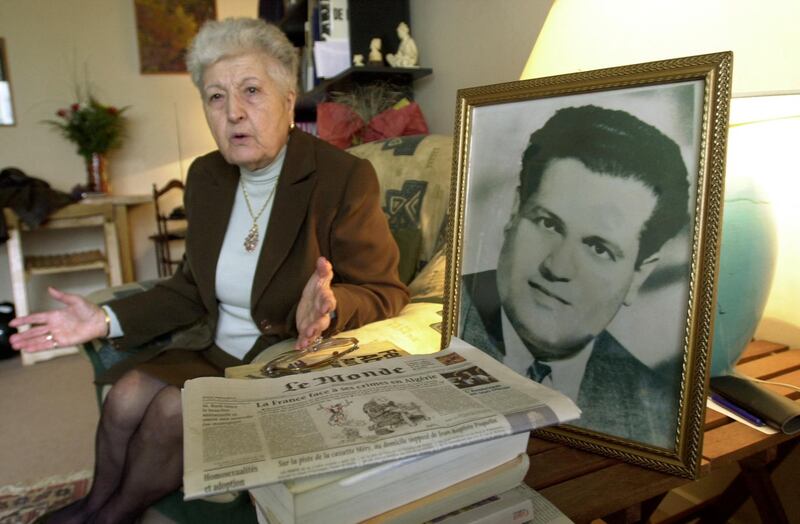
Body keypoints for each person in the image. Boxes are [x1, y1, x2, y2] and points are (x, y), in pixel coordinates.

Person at [10, 18, 408, 524]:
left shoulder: (342, 177)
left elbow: (384, 290)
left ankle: (107, 519)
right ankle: (97, 504)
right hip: (213, 346)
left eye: (250, 91)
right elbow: (188, 289)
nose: (234, 112)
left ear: (289, 100)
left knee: (171, 411)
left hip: (277, 355)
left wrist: (331, 308)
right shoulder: (206, 176)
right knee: (127, 394)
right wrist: (103, 319)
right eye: (215, 98)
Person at [459, 105, 690, 446]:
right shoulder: (440, 327)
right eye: (548, 224)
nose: (558, 267)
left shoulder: (655, 413)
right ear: (514, 211)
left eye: (598, 248)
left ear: (639, 274)